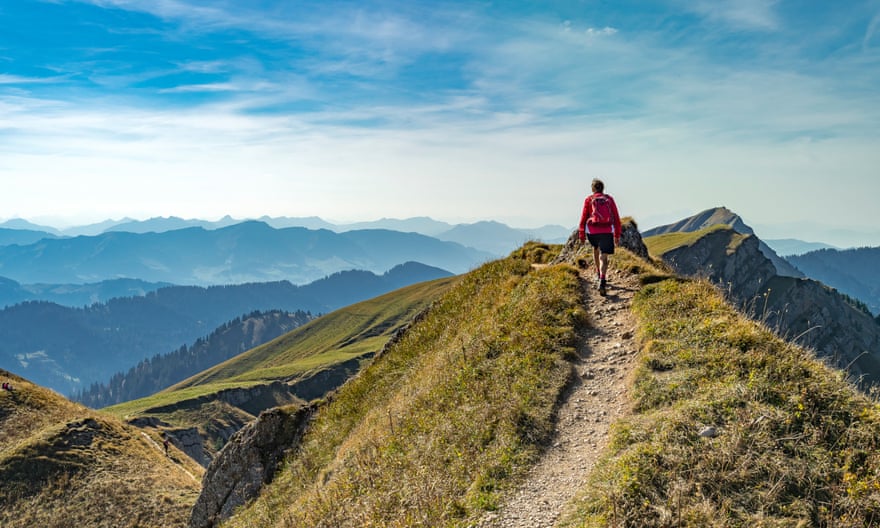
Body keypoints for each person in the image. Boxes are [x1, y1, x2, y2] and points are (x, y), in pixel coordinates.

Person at [578, 178, 622, 296]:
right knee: (604, 256)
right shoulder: (609, 199)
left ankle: (598, 273)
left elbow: (583, 218)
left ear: (593, 189)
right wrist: (617, 235)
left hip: (592, 231)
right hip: (607, 230)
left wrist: (581, 234)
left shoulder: (589, 199)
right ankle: (602, 279)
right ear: (603, 188)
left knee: (595, 249)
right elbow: (617, 218)